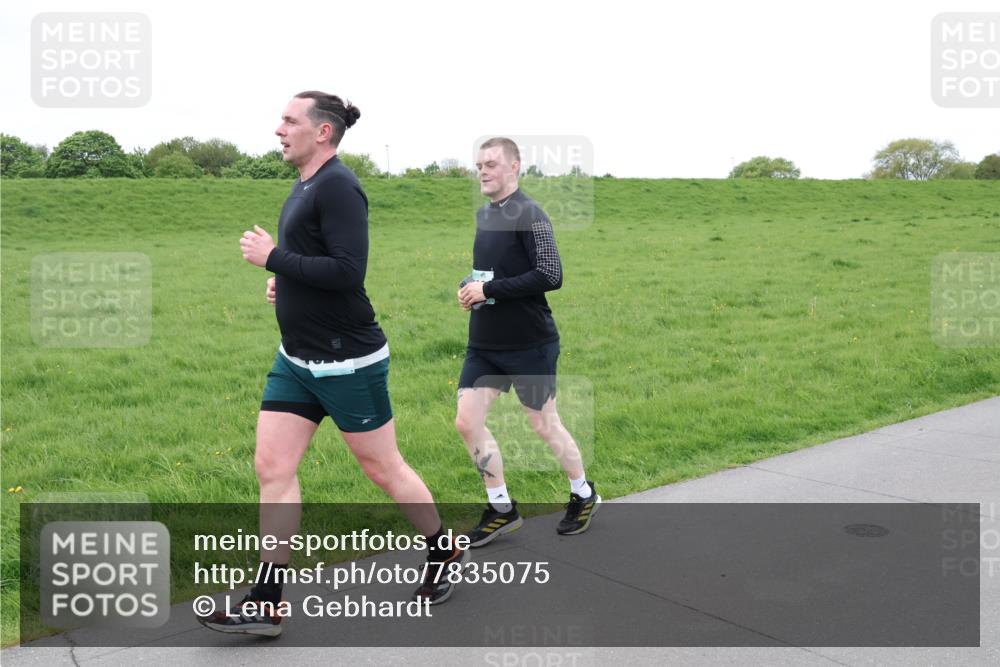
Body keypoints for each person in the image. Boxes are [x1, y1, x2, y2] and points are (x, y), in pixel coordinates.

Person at [199, 91, 467, 637]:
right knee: (272, 469)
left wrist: (273, 258)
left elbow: (347, 270)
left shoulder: (340, 186)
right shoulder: (303, 185)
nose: (278, 129)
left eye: (289, 120)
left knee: (382, 469)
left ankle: (443, 550)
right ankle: (266, 600)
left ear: (322, 132)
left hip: (348, 362)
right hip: (296, 359)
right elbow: (317, 263)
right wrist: (287, 280)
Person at [456, 137, 600, 548]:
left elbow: (551, 274)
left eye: (491, 164)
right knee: (467, 421)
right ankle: (501, 508)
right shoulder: (485, 214)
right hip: (484, 343)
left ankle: (583, 494)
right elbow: (487, 273)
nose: (482, 171)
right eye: (479, 164)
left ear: (515, 167)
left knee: (543, 425)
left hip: (529, 343)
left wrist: (491, 291)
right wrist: (470, 287)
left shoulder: (531, 214)